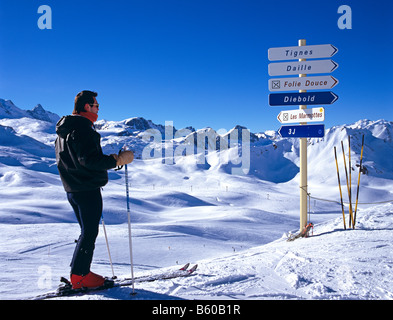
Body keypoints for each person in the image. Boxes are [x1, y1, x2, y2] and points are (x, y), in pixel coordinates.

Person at [55, 90, 134, 289]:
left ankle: (78, 273)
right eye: (96, 105)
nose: (98, 109)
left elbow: (73, 160)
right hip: (87, 189)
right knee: (89, 232)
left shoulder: (64, 131)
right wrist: (117, 160)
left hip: (72, 188)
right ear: (87, 107)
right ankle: (80, 276)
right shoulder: (84, 129)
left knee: (86, 232)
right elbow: (88, 160)